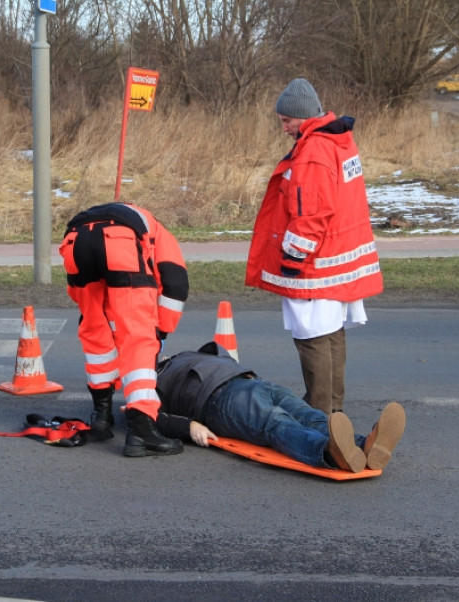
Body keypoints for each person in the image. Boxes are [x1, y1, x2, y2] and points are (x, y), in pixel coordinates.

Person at [246, 78, 383, 415]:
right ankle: (333, 408)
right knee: (331, 330)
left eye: (286, 121)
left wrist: (293, 255)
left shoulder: (313, 151)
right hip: (337, 254)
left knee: (310, 334)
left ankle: (320, 412)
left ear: (303, 117)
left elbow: (311, 211)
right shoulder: (339, 142)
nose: (284, 128)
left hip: (315, 262)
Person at [60, 202, 189, 458]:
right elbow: (175, 284)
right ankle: (142, 430)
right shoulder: (159, 234)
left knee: (95, 330)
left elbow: (80, 295)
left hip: (75, 240)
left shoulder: (131, 220)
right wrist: (159, 331)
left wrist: (99, 312)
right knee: (138, 337)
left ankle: (101, 417)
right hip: (118, 242)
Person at [155, 342, 404, 472]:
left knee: (309, 415)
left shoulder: (188, 354)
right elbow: (152, 418)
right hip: (221, 399)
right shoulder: (152, 383)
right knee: (275, 422)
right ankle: (328, 453)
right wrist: (189, 426)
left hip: (255, 382)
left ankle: (364, 446)